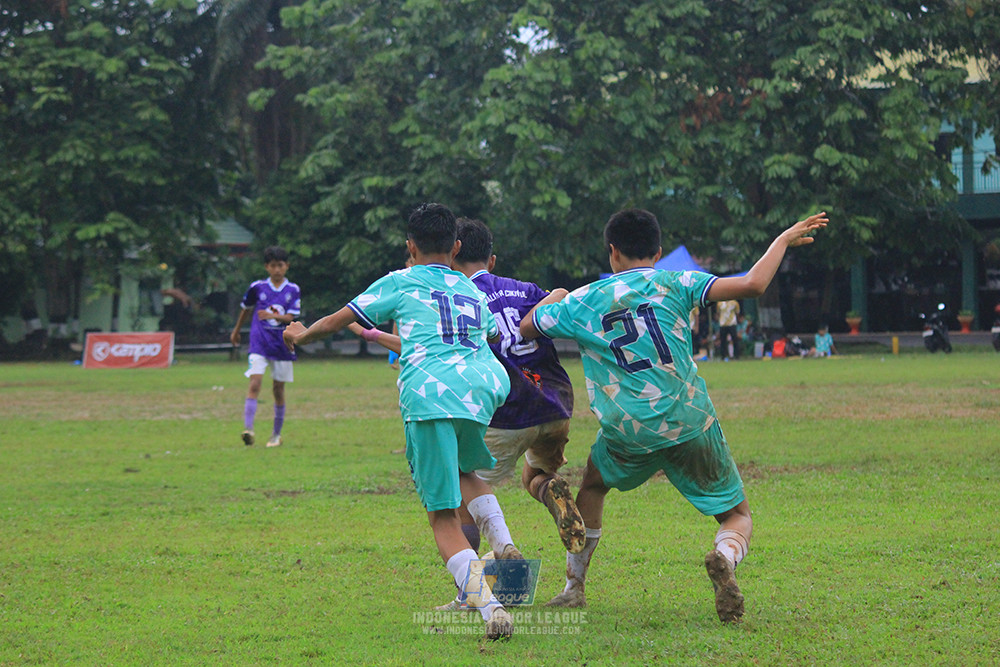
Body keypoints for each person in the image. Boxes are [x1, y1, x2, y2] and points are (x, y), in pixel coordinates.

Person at [520, 208, 828, 623]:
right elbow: (754, 284)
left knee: (591, 487)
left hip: (626, 430)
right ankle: (725, 556)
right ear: (659, 252)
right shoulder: (676, 281)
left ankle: (574, 587)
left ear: (612, 252)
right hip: (688, 421)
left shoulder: (583, 299)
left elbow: (526, 328)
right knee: (737, 515)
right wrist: (783, 240)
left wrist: (556, 296)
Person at [283, 203, 518, 640]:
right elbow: (484, 336)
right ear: (457, 246)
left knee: (443, 518)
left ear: (410, 246)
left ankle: (490, 608)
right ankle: (502, 541)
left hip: (430, 395)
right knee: (466, 472)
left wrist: (301, 334)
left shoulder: (402, 280)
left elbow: (340, 319)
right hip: (482, 389)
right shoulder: (471, 289)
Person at [229, 246, 301, 448]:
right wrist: (236, 330)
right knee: (255, 383)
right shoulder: (257, 287)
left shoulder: (293, 290)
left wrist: (272, 316)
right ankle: (248, 430)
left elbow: (289, 317)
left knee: (278, 390)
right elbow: (246, 310)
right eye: (272, 266)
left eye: (280, 265)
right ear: (266, 267)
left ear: (286, 266)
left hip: (282, 345)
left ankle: (276, 435)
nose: (277, 269)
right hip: (259, 342)